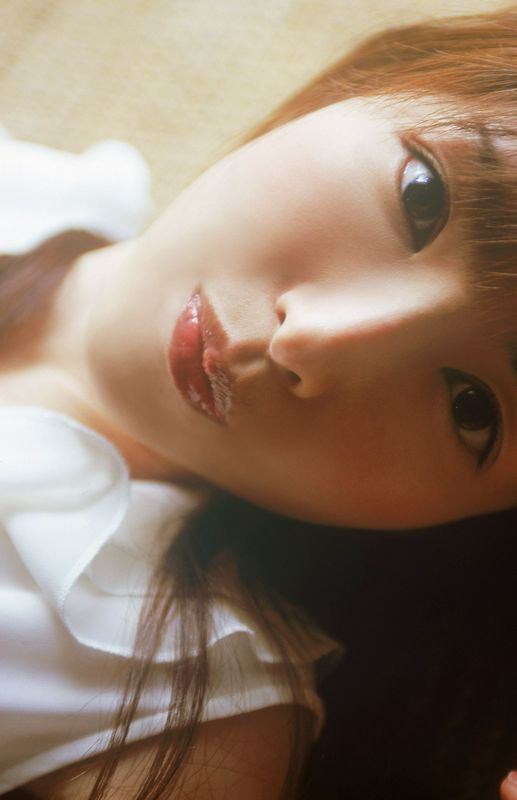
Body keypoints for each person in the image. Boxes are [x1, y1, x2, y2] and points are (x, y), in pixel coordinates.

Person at [1, 6, 517, 799]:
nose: (309, 342)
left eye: (471, 409)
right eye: (422, 197)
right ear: (379, 76)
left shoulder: (173, 712)